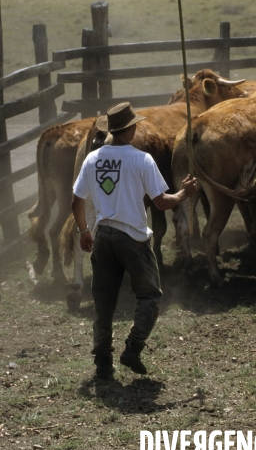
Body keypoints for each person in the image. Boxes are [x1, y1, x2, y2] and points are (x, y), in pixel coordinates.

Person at [72, 102, 197, 380]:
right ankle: (133, 347)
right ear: (129, 128)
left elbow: (77, 200)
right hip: (133, 237)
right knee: (151, 295)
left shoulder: (92, 159)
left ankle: (103, 362)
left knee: (103, 303)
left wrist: (84, 231)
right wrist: (184, 193)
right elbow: (162, 203)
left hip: (103, 235)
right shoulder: (142, 159)